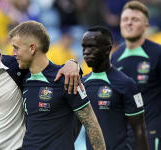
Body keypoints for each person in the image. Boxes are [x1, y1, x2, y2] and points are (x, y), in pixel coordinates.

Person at [9, 20, 106, 150]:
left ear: (32, 48)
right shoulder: (21, 76)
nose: (13, 53)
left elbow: (91, 125)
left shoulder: (66, 78)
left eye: (16, 48)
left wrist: (74, 64)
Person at [82, 26, 148, 150]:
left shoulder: (127, 84)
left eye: (92, 47)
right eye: (84, 47)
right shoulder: (82, 83)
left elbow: (139, 130)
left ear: (107, 49)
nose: (86, 51)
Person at [111, 1, 161, 149]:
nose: (129, 23)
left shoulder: (157, 54)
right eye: (125, 19)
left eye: (135, 19)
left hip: (152, 134)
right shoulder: (115, 57)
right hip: (125, 137)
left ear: (146, 26)